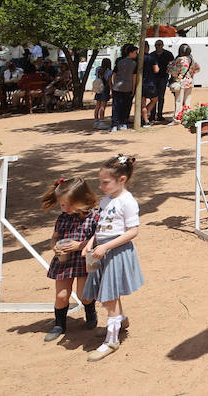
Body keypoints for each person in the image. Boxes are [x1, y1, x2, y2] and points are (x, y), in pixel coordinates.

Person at [82, 155, 144, 361]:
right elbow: (99, 226)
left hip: (116, 252)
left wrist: (106, 246)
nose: (101, 186)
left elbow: (133, 231)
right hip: (102, 251)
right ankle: (119, 320)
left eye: (105, 182)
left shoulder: (128, 201)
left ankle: (112, 340)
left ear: (122, 180)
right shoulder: (106, 200)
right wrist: (91, 244)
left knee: (109, 295)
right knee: (109, 293)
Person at [41, 177, 100, 342]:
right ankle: (59, 324)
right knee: (61, 295)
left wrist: (78, 245)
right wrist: (55, 246)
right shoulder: (63, 218)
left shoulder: (95, 217)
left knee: (84, 294)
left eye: (67, 204)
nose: (64, 208)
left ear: (81, 200)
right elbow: (54, 237)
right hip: (64, 261)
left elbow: (98, 240)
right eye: (61, 205)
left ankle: (90, 311)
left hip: (85, 260)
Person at [110, 45, 138, 132]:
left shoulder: (119, 62)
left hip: (117, 87)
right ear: (130, 53)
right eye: (135, 53)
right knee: (125, 106)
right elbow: (134, 77)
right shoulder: (134, 64)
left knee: (116, 106)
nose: (136, 54)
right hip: (128, 87)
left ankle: (114, 124)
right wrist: (133, 89)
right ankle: (123, 123)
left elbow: (114, 75)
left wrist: (114, 84)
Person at [169, 44, 199, 114]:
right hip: (189, 82)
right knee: (187, 100)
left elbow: (173, 71)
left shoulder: (180, 59)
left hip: (180, 82)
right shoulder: (191, 59)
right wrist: (190, 74)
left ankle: (177, 118)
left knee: (179, 101)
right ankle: (186, 116)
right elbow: (197, 69)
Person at [151, 40, 174, 123]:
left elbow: (172, 66)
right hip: (153, 78)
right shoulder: (152, 55)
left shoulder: (168, 54)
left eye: (159, 45)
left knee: (161, 96)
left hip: (163, 78)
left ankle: (160, 114)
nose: (158, 46)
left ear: (163, 45)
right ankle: (152, 114)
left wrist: (171, 77)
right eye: (156, 45)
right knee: (153, 97)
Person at [138, 44, 161, 125]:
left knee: (143, 102)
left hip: (139, 83)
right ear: (147, 48)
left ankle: (144, 119)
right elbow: (156, 70)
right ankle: (145, 118)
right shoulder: (151, 58)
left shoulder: (137, 58)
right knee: (154, 100)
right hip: (149, 82)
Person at [92, 58, 113, 126]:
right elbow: (109, 82)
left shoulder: (98, 69)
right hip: (105, 89)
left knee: (97, 105)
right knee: (103, 106)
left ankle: (96, 121)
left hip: (98, 88)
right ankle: (102, 121)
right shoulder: (109, 71)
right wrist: (112, 91)